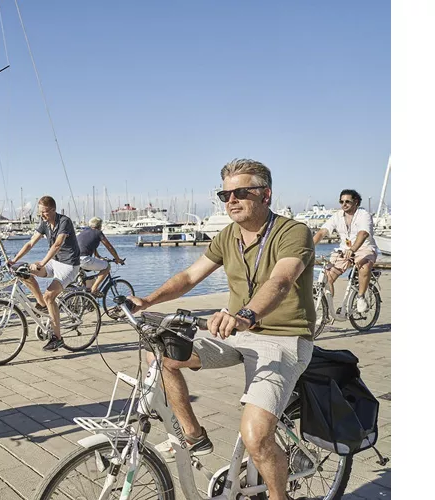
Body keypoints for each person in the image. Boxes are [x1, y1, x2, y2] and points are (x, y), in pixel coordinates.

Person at [128, 159, 315, 500]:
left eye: (241, 192)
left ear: (266, 195)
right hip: (236, 332)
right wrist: (146, 302)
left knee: (256, 436)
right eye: (225, 193)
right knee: (166, 354)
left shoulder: (293, 232)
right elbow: (188, 277)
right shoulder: (228, 235)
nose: (231, 199)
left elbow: (282, 280)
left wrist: (246, 314)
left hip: (283, 339)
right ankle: (193, 434)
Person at [6, 195, 80, 352]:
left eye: (45, 212)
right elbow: (30, 243)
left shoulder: (64, 221)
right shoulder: (44, 223)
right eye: (40, 212)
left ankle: (58, 339)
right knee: (23, 272)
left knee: (49, 296)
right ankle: (43, 305)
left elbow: (57, 245)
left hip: (69, 265)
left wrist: (41, 263)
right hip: (55, 263)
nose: (42, 215)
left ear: (53, 210)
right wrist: (15, 260)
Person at [312, 189, 377, 313]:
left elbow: (363, 234)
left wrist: (353, 249)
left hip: (364, 248)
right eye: (341, 201)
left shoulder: (364, 215)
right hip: (344, 250)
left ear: (356, 202)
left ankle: (360, 296)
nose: (344, 204)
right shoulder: (337, 216)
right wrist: (309, 246)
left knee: (364, 266)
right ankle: (328, 310)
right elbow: (322, 232)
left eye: (347, 201)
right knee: (328, 276)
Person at [76, 217, 124, 296]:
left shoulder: (83, 232)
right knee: (107, 267)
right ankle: (94, 288)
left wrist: (99, 257)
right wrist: (117, 259)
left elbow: (90, 245)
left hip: (74, 260)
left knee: (84, 281)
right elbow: (109, 247)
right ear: (100, 225)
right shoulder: (98, 232)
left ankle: (86, 298)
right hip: (84, 259)